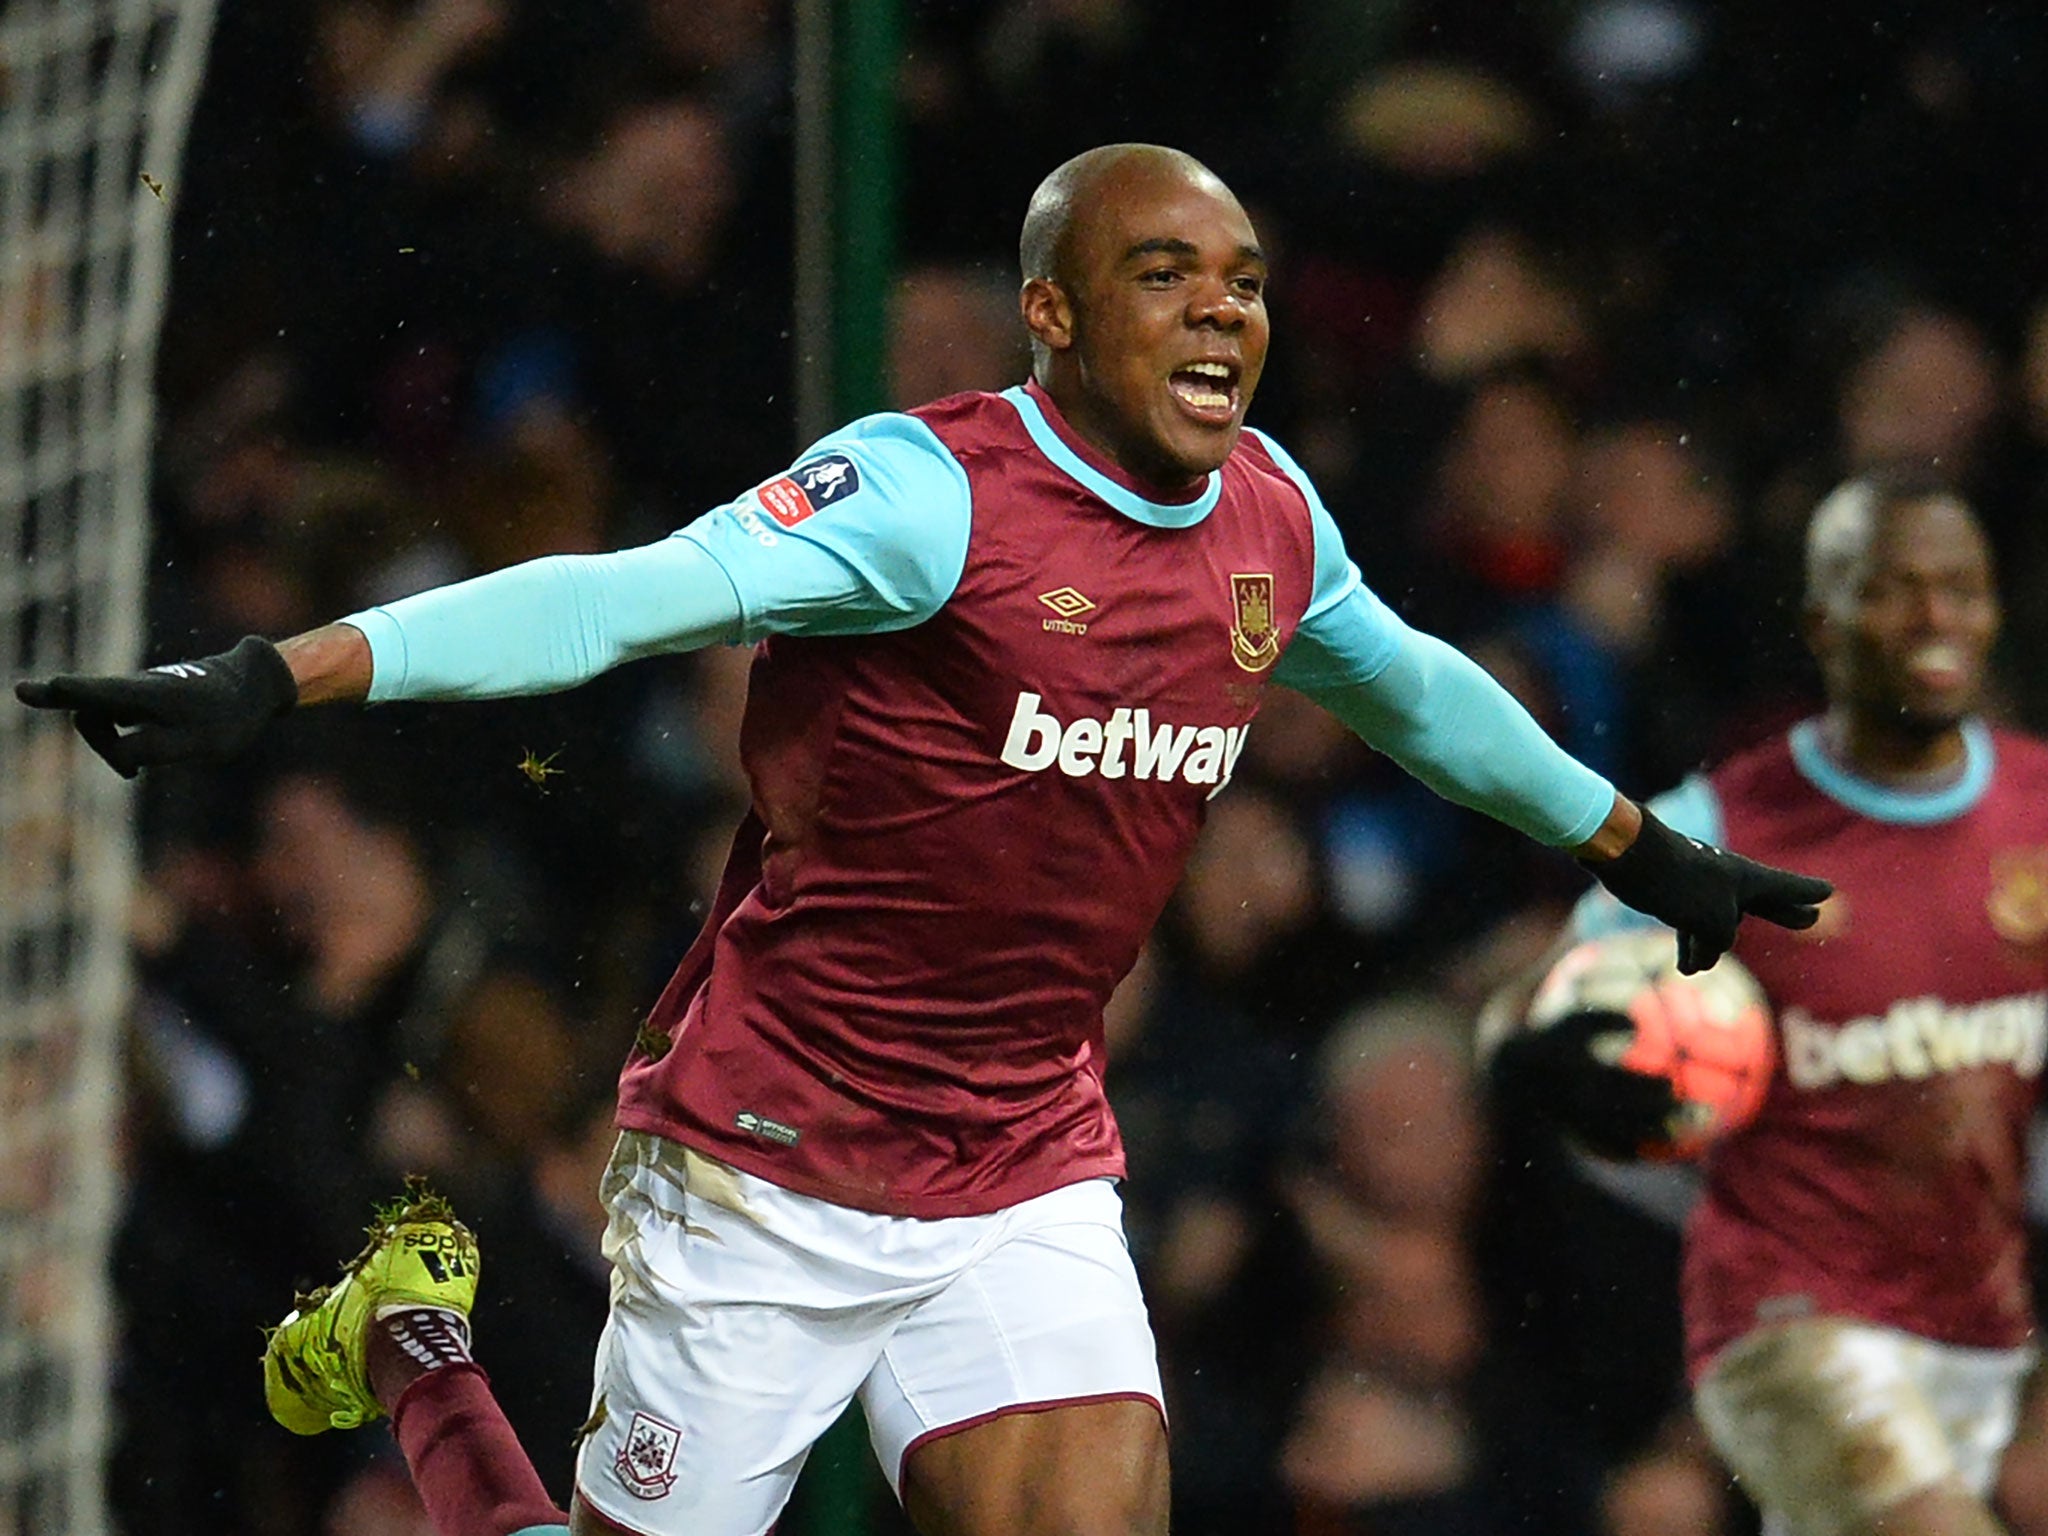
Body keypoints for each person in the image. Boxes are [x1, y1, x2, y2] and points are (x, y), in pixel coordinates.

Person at [16, 143, 1828, 1536]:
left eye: (1246, 283)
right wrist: (282, 674)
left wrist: (1626, 844)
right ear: (1049, 313)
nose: (1222, 313)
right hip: (764, 1159)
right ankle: (416, 1345)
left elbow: (1413, 690)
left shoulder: (1269, 516)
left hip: (1019, 1153)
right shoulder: (925, 495)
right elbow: (618, 602)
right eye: (1164, 275)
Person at [1486, 468, 2048, 1536]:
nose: (1934, 617)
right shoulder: (1719, 825)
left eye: (1959, 587)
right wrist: (1529, 1049)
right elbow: (1533, 1005)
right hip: (1786, 1323)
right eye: (1891, 588)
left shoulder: (2036, 814)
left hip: (1989, 1329)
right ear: (1819, 620)